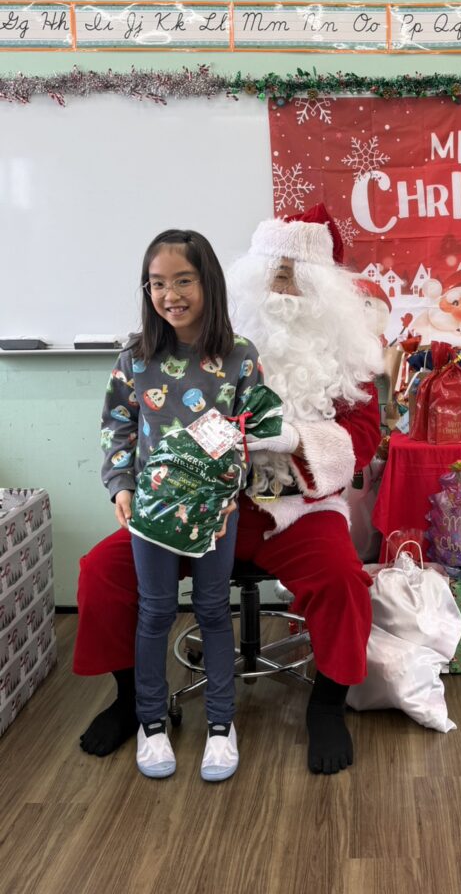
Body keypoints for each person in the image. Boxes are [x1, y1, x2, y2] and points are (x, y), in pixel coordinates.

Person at [75, 206, 384, 775]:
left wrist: (297, 440)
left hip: (294, 510)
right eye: (274, 273)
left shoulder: (347, 357)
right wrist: (133, 482)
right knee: (102, 572)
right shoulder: (212, 337)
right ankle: (130, 701)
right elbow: (130, 423)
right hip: (195, 503)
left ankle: (326, 704)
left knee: (343, 581)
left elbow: (364, 436)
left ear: (327, 291)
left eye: (296, 276)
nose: (282, 289)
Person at [101, 228, 257, 782]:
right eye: (157, 284)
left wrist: (233, 487)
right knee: (156, 611)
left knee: (213, 610)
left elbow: (252, 432)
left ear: (207, 282)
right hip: (152, 511)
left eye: (183, 281)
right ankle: (151, 723)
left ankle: (221, 724)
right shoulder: (135, 358)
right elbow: (117, 427)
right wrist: (121, 486)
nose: (170, 295)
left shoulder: (240, 356)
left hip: (215, 510)